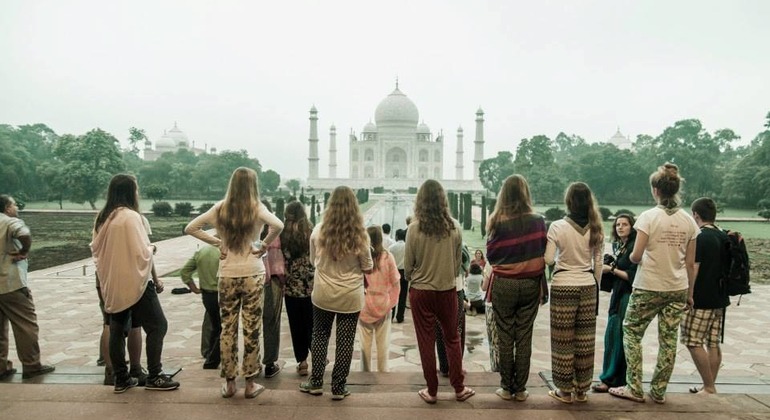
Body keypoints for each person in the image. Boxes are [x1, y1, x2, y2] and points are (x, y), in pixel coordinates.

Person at [185, 167, 283, 399]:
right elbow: (278, 225)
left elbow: (191, 228)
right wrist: (262, 244)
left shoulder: (221, 207)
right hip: (252, 273)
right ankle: (250, 384)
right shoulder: (257, 208)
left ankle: (230, 383)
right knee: (252, 328)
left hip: (227, 274)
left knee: (227, 328)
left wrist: (218, 243)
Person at [609, 163, 699, 404]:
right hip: (677, 286)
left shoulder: (648, 217)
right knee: (668, 340)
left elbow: (635, 257)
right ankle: (658, 391)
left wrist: (637, 256)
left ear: (655, 190)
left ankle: (634, 387)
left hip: (648, 284)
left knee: (631, 332)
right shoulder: (689, 221)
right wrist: (690, 293)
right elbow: (691, 264)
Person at [91, 175, 178, 393]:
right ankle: (155, 375)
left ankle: (121, 378)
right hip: (136, 281)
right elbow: (142, 251)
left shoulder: (103, 217)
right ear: (131, 192)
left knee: (117, 327)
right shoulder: (130, 217)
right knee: (158, 325)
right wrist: (152, 250)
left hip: (111, 281)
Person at [299, 186, 373, 400]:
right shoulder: (360, 235)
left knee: (320, 336)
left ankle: (315, 382)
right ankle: (339, 387)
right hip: (350, 295)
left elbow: (314, 261)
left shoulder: (319, 230)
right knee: (345, 341)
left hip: (323, 293)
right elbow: (367, 267)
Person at [405, 179, 475, 404]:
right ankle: (459, 388)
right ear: (443, 200)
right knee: (452, 338)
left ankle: (432, 391)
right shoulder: (454, 226)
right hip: (447, 290)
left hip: (421, 292)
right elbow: (456, 266)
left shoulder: (414, 228)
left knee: (426, 341)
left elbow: (407, 267)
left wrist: (420, 275)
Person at [486, 175, 547, 402]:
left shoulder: (496, 220)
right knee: (523, 336)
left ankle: (505, 388)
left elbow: (491, 255)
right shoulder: (538, 220)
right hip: (531, 283)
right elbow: (541, 247)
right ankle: (520, 389)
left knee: (505, 336)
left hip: (505, 284)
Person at [545, 182, 603, 404]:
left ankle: (564, 391)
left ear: (568, 200)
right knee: (585, 341)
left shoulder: (557, 226)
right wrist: (594, 285)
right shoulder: (596, 226)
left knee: (563, 340)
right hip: (587, 285)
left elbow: (549, 259)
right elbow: (598, 262)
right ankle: (581, 391)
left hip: (563, 285)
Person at [0, 194, 55, 380]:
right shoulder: (9, 221)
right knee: (25, 325)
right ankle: (31, 365)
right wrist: (24, 251)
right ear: (7, 208)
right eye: (14, 205)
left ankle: (1, 367)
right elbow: (24, 233)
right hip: (11, 282)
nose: (16, 208)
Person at [682, 197, 730, 394]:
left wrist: (688, 294)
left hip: (701, 299)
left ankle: (709, 387)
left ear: (695, 215)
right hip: (720, 298)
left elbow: (694, 268)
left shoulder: (700, 237)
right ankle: (709, 386)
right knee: (713, 342)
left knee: (693, 341)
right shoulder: (723, 235)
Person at [592, 214, 638, 393]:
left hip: (626, 295)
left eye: (624, 224)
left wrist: (611, 269)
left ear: (632, 227)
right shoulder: (621, 246)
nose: (620, 227)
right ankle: (614, 378)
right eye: (618, 224)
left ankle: (611, 379)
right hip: (617, 294)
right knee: (613, 336)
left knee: (616, 336)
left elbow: (632, 276)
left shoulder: (634, 247)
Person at [358, 226, 400, 372]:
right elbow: (396, 284)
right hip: (383, 303)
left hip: (365, 304)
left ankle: (365, 374)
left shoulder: (361, 257)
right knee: (383, 347)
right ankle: (383, 374)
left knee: (364, 347)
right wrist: (391, 304)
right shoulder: (387, 257)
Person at [281, 201, 315, 376]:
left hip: (291, 285)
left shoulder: (283, 233)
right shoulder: (310, 229)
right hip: (310, 284)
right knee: (312, 323)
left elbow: (283, 258)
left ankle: (302, 362)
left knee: (296, 325)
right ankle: (318, 355)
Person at [180, 244, 221, 370]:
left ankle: (209, 352)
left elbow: (185, 271)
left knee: (215, 325)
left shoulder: (202, 250)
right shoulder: (227, 251)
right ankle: (212, 359)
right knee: (224, 328)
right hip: (223, 293)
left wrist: (194, 288)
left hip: (207, 294)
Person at [260, 200, 285, 379]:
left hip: (250, 280)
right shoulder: (274, 232)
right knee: (271, 323)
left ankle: (251, 363)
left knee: (250, 323)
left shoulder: (246, 231)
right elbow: (278, 264)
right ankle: (269, 363)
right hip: (272, 283)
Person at [389, 229, 408, 323]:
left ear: (396, 236)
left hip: (394, 272)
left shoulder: (391, 247)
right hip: (404, 273)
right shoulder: (408, 247)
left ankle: (391, 315)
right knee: (403, 295)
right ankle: (400, 316)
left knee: (393, 294)